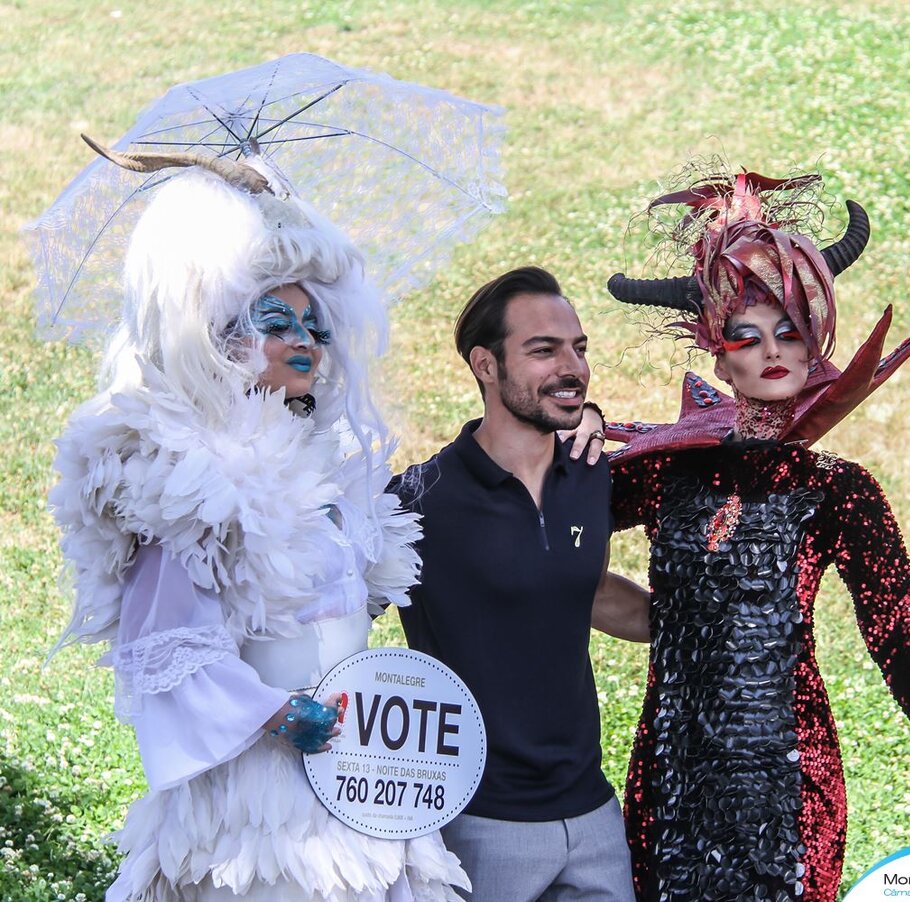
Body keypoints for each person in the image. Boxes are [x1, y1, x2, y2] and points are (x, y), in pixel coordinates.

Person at [49, 143, 468, 900]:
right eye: (279, 321)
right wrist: (278, 713)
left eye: (316, 326)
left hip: (361, 774)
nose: (306, 341)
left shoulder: (333, 464)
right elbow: (164, 647)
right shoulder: (187, 479)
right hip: (260, 796)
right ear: (221, 331)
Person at [604, 168, 910, 901]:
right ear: (718, 355)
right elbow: (550, 535)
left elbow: (895, 628)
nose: (771, 351)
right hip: (674, 769)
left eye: (790, 330)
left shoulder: (839, 491)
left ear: (817, 336)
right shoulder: (666, 474)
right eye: (746, 337)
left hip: (790, 781)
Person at [389, 266, 647, 901]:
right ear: (485, 365)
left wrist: (722, 623)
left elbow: (583, 588)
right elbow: (328, 620)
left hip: (592, 816)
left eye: (578, 348)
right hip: (478, 823)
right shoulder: (420, 502)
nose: (572, 366)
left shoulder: (590, 473)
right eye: (543, 350)